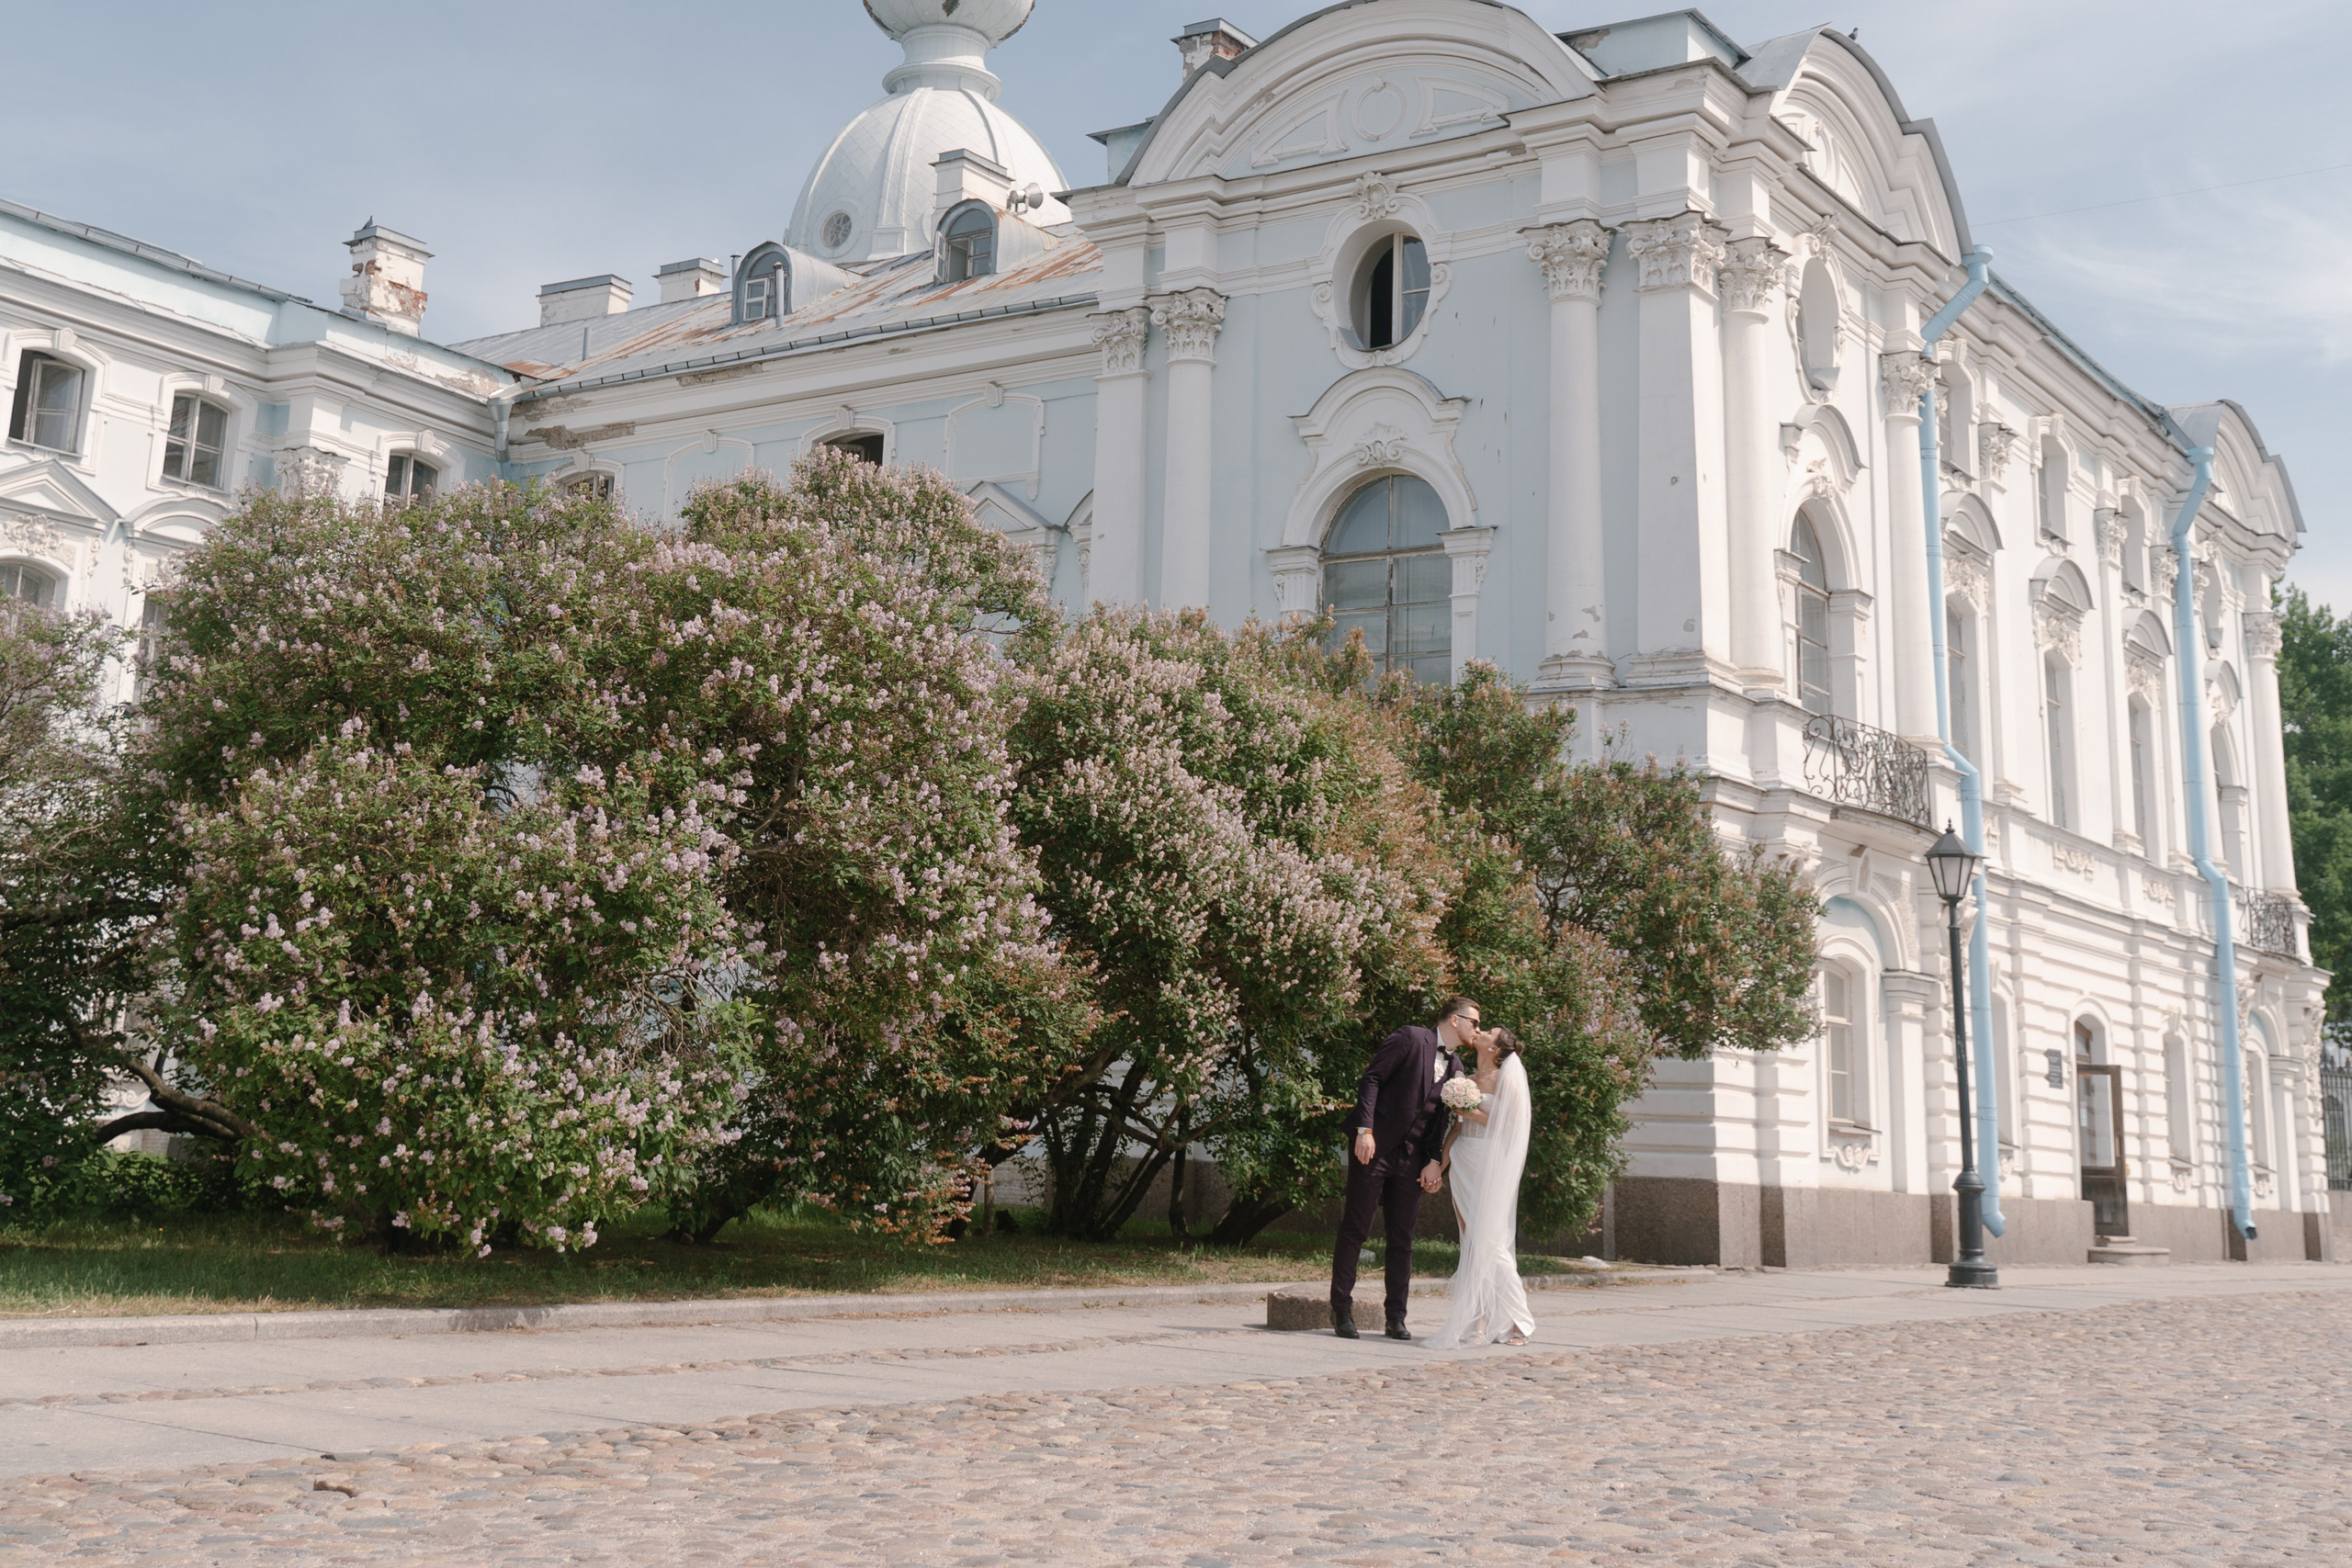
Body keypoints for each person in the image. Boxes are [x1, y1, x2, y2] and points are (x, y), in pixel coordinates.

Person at [1328, 997, 1476, 1339]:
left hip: (1413, 1158)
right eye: (1474, 1022)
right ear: (1455, 1019)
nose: (1477, 1029)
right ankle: (1341, 1308)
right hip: (1374, 1147)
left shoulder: (1456, 1068)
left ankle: (1396, 1317)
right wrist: (1365, 1131)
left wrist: (1434, 1161)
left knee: (1402, 1239)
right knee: (1356, 1228)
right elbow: (1371, 1080)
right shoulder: (1410, 1037)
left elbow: (1441, 1120)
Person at [1422, 1025, 1535, 1349]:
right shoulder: (1466, 1080)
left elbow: (1513, 1124)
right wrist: (1439, 1166)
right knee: (1471, 1242)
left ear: (1494, 1049)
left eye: (1488, 1032)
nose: (1480, 1031)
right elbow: (1457, 1129)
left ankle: (1520, 1320)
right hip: (1464, 1160)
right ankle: (1479, 1323)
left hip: (1491, 1162)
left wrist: (1470, 1111)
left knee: (1492, 1243)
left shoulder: (1506, 1079)